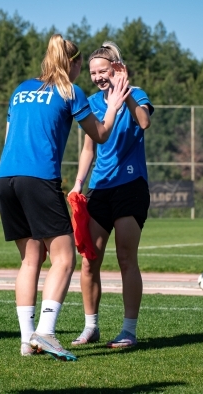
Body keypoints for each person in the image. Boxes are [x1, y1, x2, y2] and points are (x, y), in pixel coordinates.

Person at [0, 34, 130, 361]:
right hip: (38, 178)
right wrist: (112, 107)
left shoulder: (20, 90)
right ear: (72, 63)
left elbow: (8, 135)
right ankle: (47, 331)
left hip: (6, 178)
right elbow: (99, 134)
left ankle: (27, 340)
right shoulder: (70, 90)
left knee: (31, 260)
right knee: (65, 258)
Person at [68, 42, 153, 349]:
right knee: (89, 260)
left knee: (126, 259)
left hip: (130, 187)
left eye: (103, 70)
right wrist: (79, 183)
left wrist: (125, 93)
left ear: (116, 68)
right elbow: (90, 145)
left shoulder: (137, 93)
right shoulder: (91, 101)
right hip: (99, 188)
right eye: (92, 72)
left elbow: (144, 122)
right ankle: (91, 326)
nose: (97, 77)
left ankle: (129, 330)